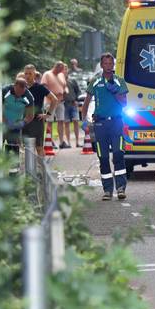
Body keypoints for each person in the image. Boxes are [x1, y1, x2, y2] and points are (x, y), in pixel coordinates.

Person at [83, 53, 129, 201]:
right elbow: (86, 103)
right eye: (106, 64)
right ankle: (107, 190)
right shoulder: (95, 82)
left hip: (116, 123)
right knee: (103, 157)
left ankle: (121, 188)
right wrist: (84, 121)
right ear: (102, 65)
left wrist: (115, 92)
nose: (109, 66)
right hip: (100, 124)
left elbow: (125, 104)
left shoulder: (119, 81)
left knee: (118, 154)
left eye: (111, 64)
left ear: (113, 65)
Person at [23, 69, 59, 156]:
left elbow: (54, 99)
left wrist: (47, 115)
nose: (27, 76)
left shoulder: (40, 87)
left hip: (37, 121)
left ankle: (42, 168)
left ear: (34, 75)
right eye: (26, 74)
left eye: (30, 74)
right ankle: (29, 169)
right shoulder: (22, 88)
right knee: (26, 147)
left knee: (38, 147)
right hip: (24, 121)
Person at [1, 76, 34, 154]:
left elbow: (30, 115)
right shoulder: (4, 91)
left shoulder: (28, 96)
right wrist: (5, 121)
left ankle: (13, 165)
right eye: (18, 91)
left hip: (16, 126)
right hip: (1, 124)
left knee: (13, 150)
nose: (20, 94)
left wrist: (22, 123)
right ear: (14, 86)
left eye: (22, 92)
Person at [43, 62, 70, 148]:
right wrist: (53, 94)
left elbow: (64, 85)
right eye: (61, 69)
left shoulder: (61, 75)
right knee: (50, 121)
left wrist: (65, 90)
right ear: (56, 67)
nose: (62, 71)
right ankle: (49, 141)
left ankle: (61, 142)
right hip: (50, 101)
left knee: (61, 121)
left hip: (60, 101)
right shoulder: (47, 74)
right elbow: (44, 87)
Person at [64, 59, 83, 147]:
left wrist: (76, 100)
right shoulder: (60, 81)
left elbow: (78, 91)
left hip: (73, 103)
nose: (64, 71)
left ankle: (77, 141)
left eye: (65, 69)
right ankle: (68, 142)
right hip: (64, 104)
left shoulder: (72, 80)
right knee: (66, 123)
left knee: (76, 121)